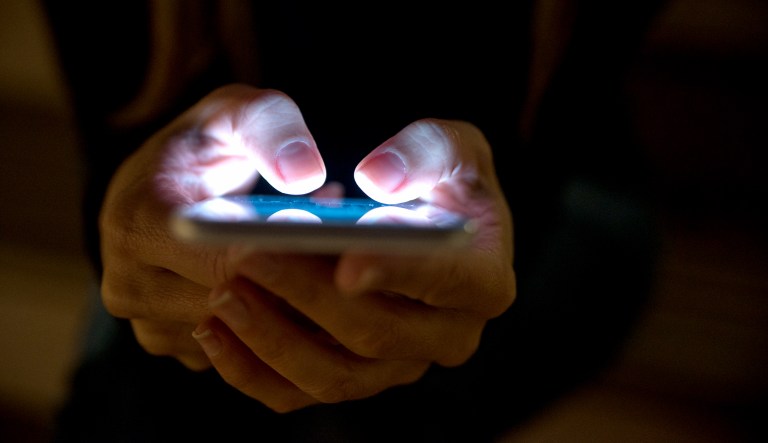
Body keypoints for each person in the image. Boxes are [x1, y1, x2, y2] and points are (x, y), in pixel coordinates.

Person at [43, 1, 664, 441]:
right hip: (238, 212)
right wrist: (130, 216)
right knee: (156, 390)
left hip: (560, 193)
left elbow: (556, 120)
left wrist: (492, 215)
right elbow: (122, 142)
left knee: (359, 413)